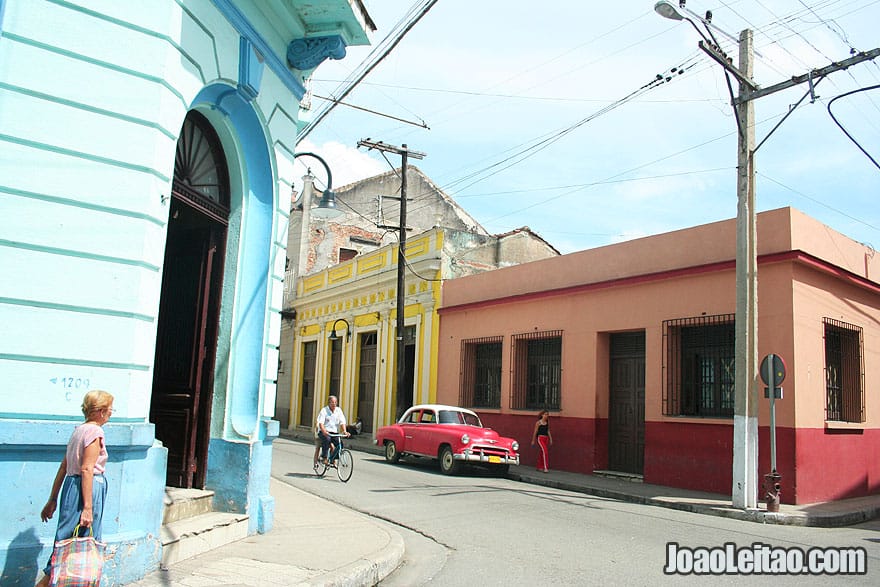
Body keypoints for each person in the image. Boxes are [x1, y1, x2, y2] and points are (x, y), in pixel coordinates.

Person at [37, 389, 114, 587]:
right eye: (109, 409)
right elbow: (87, 469)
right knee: (81, 545)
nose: (111, 413)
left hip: (72, 488)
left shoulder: (78, 430)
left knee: (66, 545)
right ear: (100, 411)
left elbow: (64, 466)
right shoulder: (95, 432)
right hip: (85, 491)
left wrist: (53, 499)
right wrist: (87, 507)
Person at [317, 395, 349, 464]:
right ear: (329, 403)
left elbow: (342, 421)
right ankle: (324, 457)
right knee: (327, 439)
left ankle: (333, 458)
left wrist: (344, 431)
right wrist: (324, 431)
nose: (334, 404)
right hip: (324, 431)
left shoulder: (338, 410)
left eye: (335, 402)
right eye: (332, 402)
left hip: (334, 432)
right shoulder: (324, 410)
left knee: (340, 444)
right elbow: (321, 423)